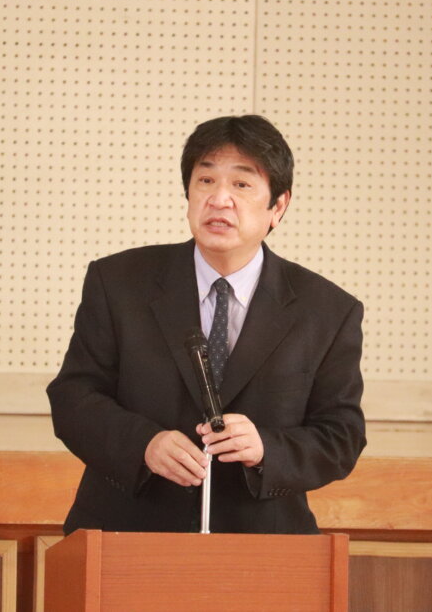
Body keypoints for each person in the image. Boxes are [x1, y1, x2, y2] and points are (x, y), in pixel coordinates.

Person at [47, 115, 366, 534]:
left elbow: (341, 436)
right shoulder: (119, 283)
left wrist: (266, 448)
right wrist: (144, 444)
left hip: (261, 542)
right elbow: (73, 397)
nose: (219, 199)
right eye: (206, 180)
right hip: (128, 530)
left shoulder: (326, 310)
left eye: (242, 184)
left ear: (278, 206)